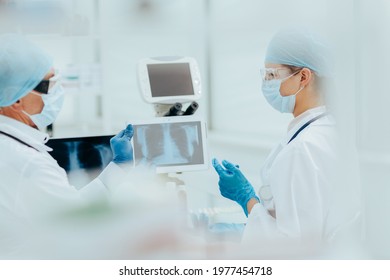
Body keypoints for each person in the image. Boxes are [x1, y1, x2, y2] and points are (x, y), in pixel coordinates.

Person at [212, 28, 361, 244]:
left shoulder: (303, 149)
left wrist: (246, 200)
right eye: (265, 75)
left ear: (303, 77)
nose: (266, 83)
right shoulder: (328, 130)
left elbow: (291, 247)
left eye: (272, 75)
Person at [0, 34, 134, 257]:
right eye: (48, 84)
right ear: (16, 99)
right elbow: (77, 220)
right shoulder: (27, 163)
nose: (56, 91)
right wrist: (120, 167)